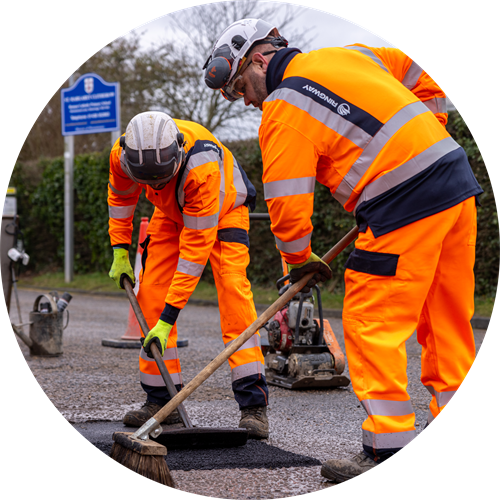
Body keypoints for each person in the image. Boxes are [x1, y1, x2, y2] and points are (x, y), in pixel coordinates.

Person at [204, 19, 483, 479]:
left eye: (240, 87)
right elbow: (418, 71)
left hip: (403, 205)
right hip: (454, 181)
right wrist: (431, 128)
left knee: (370, 321)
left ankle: (385, 450)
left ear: (258, 60)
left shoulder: (282, 109)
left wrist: (298, 263)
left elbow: (287, 207)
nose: (246, 100)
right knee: (446, 319)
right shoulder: (347, 54)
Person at [107, 110, 269, 439]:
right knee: (150, 293)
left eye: (161, 180)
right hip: (170, 213)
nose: (154, 185)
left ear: (177, 154)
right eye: (148, 182)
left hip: (223, 211)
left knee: (234, 294)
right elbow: (121, 199)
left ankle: (253, 405)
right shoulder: (121, 155)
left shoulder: (202, 167)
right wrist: (120, 250)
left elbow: (194, 254)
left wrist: (168, 321)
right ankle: (161, 402)